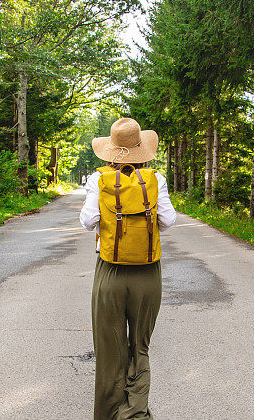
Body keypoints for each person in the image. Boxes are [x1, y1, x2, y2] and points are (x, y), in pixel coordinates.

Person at [79, 117, 177, 420]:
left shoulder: (99, 180)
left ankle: (109, 415)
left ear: (111, 149)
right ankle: (134, 414)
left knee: (110, 350)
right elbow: (168, 220)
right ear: (140, 148)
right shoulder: (155, 180)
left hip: (110, 272)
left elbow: (87, 221)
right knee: (140, 347)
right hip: (148, 273)